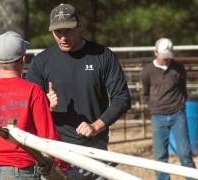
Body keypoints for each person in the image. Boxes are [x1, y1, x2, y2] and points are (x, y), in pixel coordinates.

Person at [25, 3, 131, 179]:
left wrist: (96, 126)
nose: (63, 37)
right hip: (54, 149)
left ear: (79, 27)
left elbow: (122, 98)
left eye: (68, 30)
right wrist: (45, 104)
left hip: (94, 148)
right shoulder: (41, 61)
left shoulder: (102, 55)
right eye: (58, 32)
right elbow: (27, 104)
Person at [0, 31, 66, 179]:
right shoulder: (33, 91)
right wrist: (62, 165)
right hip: (23, 171)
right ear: (23, 59)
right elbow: (48, 136)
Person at [141, 37, 196, 180]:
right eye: (164, 57)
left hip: (178, 113)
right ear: (155, 53)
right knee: (160, 156)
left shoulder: (179, 68)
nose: (167, 60)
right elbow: (145, 92)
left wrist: (181, 104)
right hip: (158, 115)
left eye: (169, 57)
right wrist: (151, 107)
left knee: (185, 153)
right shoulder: (147, 71)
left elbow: (183, 88)